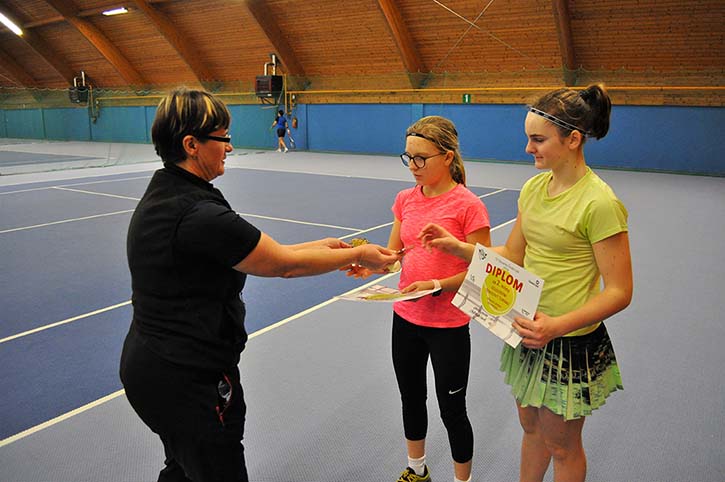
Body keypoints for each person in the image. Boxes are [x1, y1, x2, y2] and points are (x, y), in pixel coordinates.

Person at [120, 88, 399, 482]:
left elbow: (264, 253)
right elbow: (283, 265)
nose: (230, 147)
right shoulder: (197, 214)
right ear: (191, 145)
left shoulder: (173, 193)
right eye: (223, 138)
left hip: (159, 366)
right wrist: (360, 255)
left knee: (183, 468)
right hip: (185, 377)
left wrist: (327, 246)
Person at [418, 84, 633, 482]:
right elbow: (513, 255)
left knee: (563, 446)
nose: (528, 148)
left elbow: (620, 292)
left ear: (573, 139)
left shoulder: (599, 203)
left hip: (567, 341)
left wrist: (557, 325)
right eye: (528, 138)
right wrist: (458, 247)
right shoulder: (534, 188)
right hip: (526, 331)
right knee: (532, 429)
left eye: (538, 139)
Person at [348, 116, 491, 482]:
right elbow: (395, 256)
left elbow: (483, 271)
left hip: (448, 326)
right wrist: (371, 266)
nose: (412, 166)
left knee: (452, 410)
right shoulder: (405, 200)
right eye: (408, 157)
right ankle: (417, 470)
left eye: (421, 158)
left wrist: (436, 284)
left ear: (447, 157)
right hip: (406, 320)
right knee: (411, 398)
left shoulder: (468, 206)